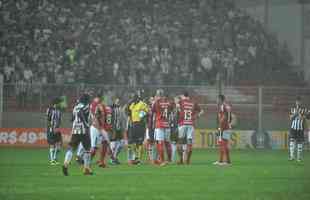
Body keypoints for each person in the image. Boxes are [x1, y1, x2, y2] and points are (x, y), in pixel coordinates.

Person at [62, 93, 92, 176]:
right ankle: (86, 169)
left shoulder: (76, 107)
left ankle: (65, 164)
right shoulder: (86, 106)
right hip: (83, 130)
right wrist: (86, 123)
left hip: (75, 130)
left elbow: (72, 118)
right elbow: (80, 113)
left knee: (71, 148)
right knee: (87, 149)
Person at [176, 91, 203, 165]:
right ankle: (188, 160)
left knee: (179, 142)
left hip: (182, 124)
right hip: (191, 124)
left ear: (183, 96)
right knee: (189, 143)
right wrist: (196, 116)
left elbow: (177, 107)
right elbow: (201, 111)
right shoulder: (193, 102)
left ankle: (181, 160)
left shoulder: (181, 102)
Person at [152, 89, 173, 165]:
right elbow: (171, 111)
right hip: (167, 125)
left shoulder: (156, 102)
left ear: (158, 95)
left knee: (160, 143)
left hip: (159, 124)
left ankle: (162, 161)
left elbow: (152, 111)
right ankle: (169, 160)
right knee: (167, 143)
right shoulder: (169, 102)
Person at [127, 93, 149, 165]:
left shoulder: (142, 104)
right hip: (133, 124)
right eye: (132, 98)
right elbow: (128, 111)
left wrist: (141, 115)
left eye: (134, 98)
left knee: (139, 142)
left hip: (140, 124)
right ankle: (135, 156)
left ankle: (139, 158)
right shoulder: (132, 104)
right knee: (131, 141)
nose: (133, 99)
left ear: (137, 98)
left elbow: (147, 111)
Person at [214, 94, 232, 166]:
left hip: (224, 127)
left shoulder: (223, 106)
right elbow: (229, 117)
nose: (216, 100)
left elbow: (224, 117)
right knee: (223, 144)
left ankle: (225, 162)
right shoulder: (226, 106)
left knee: (223, 144)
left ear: (220, 99)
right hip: (226, 127)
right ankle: (223, 161)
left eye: (217, 99)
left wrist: (220, 127)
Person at [288, 96, 308, 162]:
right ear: (295, 102)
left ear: (301, 102)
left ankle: (299, 158)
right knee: (292, 142)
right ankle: (291, 156)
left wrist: (299, 114)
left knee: (299, 143)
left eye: (299, 101)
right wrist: (295, 114)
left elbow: (304, 118)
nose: (298, 102)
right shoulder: (292, 109)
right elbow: (290, 118)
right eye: (297, 101)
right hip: (293, 128)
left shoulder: (304, 109)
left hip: (300, 128)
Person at [46, 97, 62, 165]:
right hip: (51, 129)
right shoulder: (49, 110)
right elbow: (48, 120)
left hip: (57, 129)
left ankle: (55, 158)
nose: (60, 104)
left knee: (58, 145)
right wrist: (52, 128)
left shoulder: (59, 111)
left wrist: (58, 128)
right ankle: (52, 160)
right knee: (52, 145)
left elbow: (59, 120)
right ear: (55, 103)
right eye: (59, 103)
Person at [110, 98, 126, 165]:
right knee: (113, 145)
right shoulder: (111, 109)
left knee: (121, 143)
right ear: (114, 102)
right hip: (113, 129)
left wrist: (123, 128)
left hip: (119, 130)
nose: (118, 102)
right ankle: (113, 159)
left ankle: (114, 157)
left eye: (119, 101)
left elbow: (123, 119)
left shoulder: (121, 110)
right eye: (117, 101)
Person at [145, 96, 157, 164]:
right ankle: (150, 158)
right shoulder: (147, 108)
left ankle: (155, 158)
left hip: (155, 127)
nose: (152, 101)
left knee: (155, 142)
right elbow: (144, 116)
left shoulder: (157, 107)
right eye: (151, 99)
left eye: (153, 99)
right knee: (149, 142)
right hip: (149, 127)